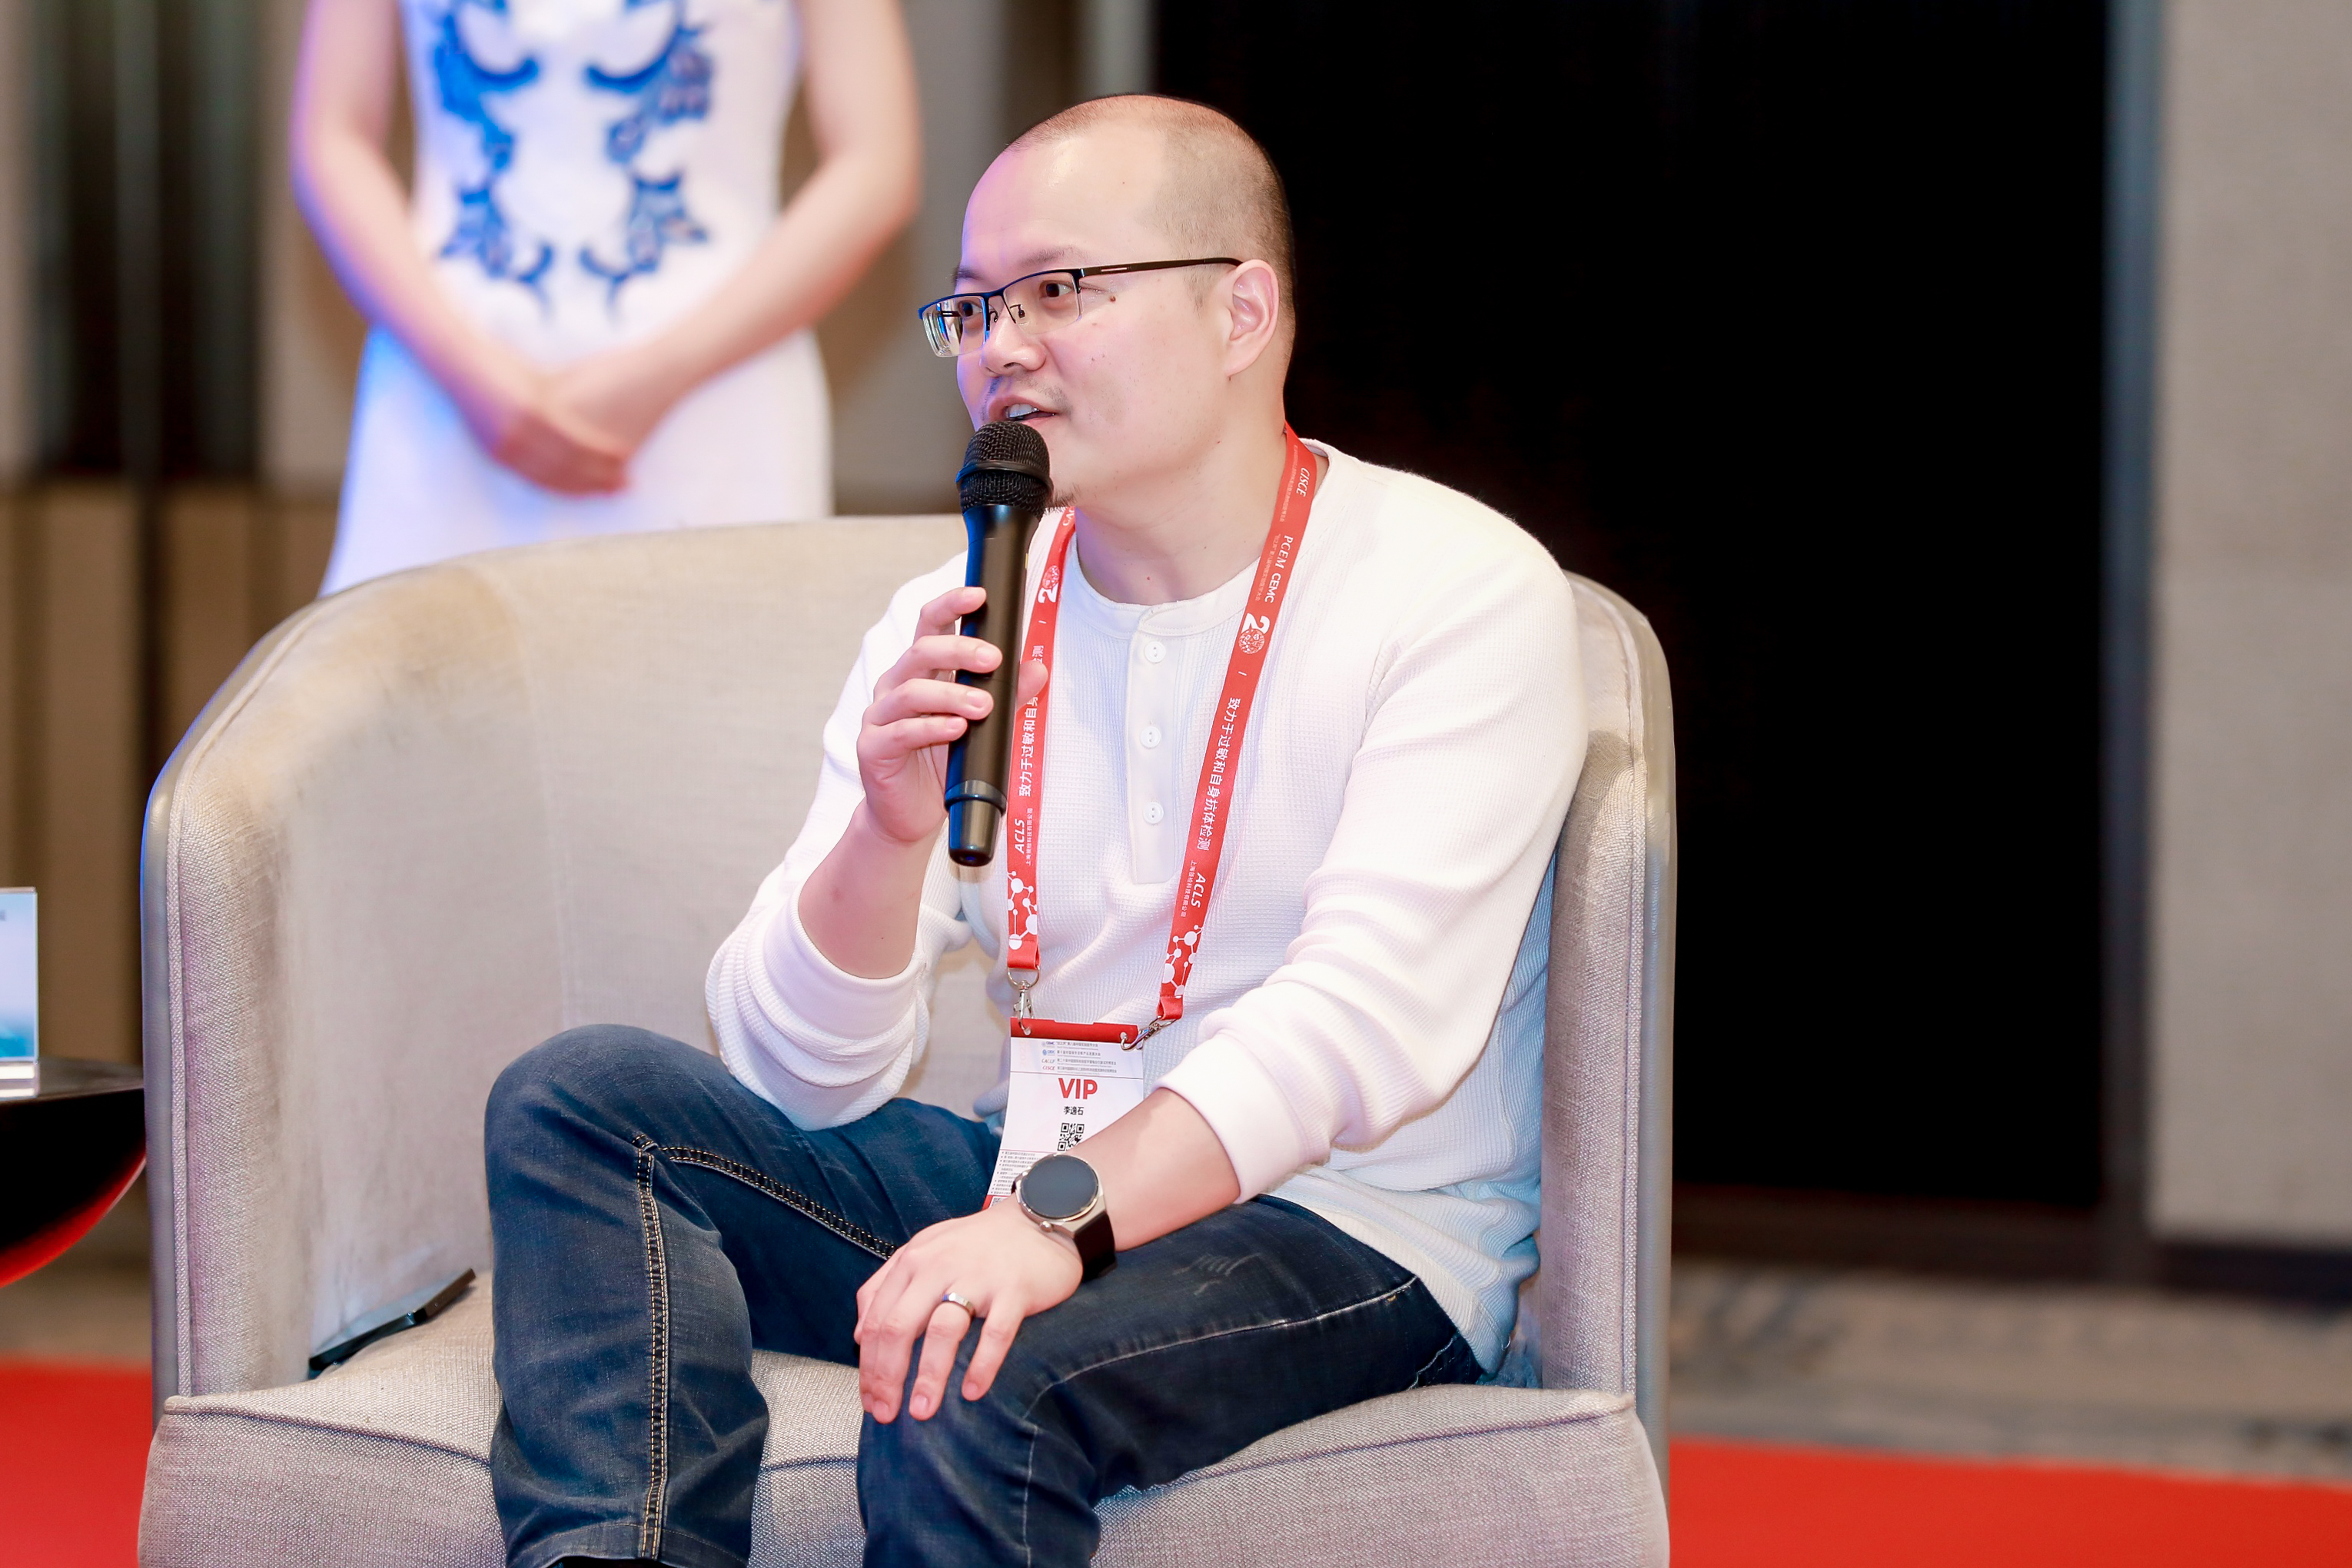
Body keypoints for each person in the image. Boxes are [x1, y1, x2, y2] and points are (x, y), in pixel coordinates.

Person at [483, 95, 1587, 1568]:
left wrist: (1048, 1224)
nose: (1002, 346)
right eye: (975, 307)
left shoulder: (1452, 590)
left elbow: (1361, 1025)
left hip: (1348, 1222)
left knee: (972, 1365)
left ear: (1242, 312)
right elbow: (798, 1074)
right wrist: (884, 838)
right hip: (1040, 1164)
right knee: (585, 1103)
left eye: (1059, 290)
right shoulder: (961, 613)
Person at [291, 0, 919, 595]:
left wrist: (661, 374)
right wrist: (464, 369)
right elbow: (334, 136)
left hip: (714, 395)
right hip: (444, 400)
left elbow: (876, 163)